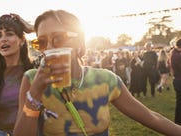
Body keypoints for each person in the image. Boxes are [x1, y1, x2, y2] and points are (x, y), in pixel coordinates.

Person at [13, 9, 181, 136]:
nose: (49, 48)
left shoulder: (105, 80)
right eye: (41, 42)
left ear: (78, 41)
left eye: (59, 38)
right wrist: (35, 93)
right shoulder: (31, 79)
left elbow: (150, 117)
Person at [169, 38, 181, 125]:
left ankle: (178, 121)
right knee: (179, 103)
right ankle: (178, 121)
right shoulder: (177, 55)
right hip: (179, 80)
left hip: (177, 80)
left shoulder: (174, 52)